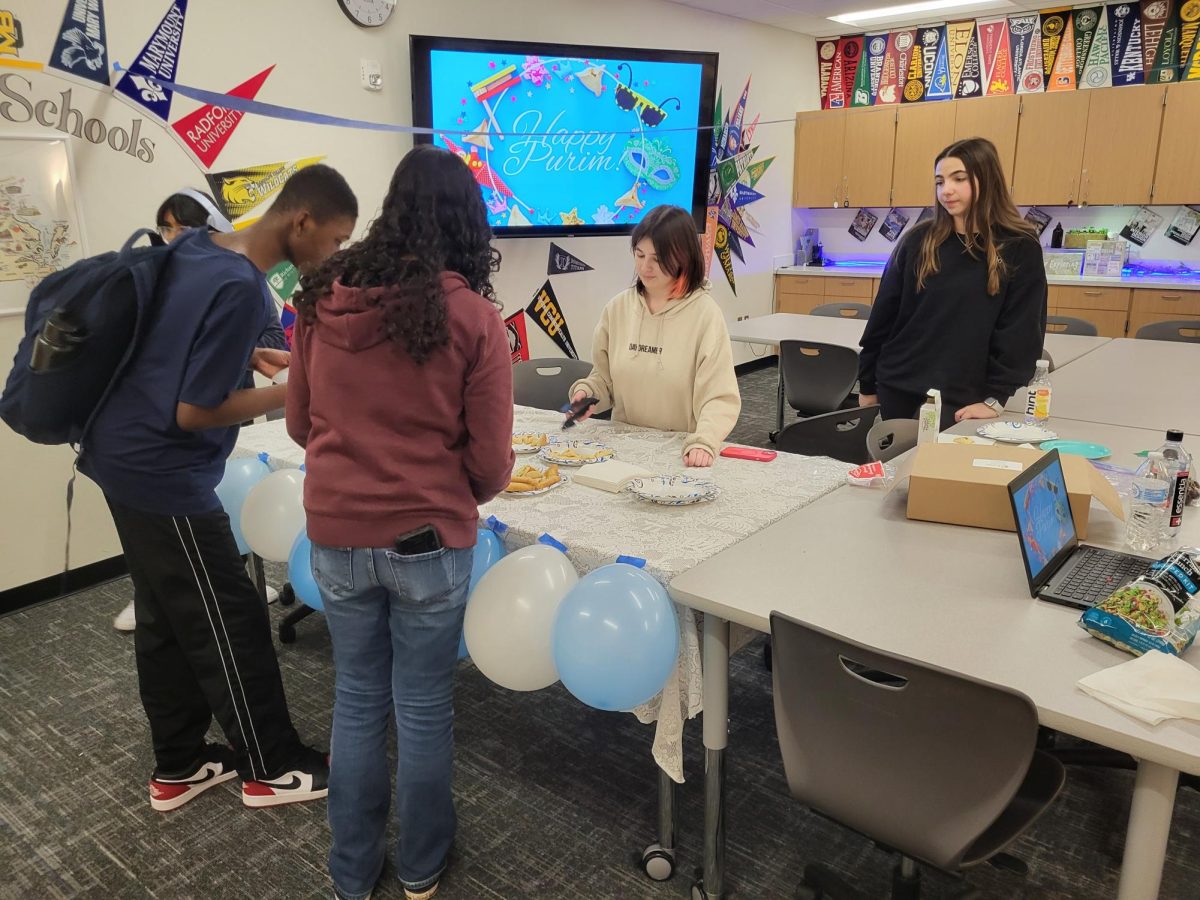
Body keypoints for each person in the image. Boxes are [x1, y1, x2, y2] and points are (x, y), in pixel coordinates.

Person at [81, 165, 358, 812]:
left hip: (116, 452)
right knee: (229, 616)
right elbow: (192, 410)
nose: (335, 253)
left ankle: (179, 764)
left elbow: (172, 353)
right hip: (162, 469)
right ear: (302, 223)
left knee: (166, 616)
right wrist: (300, 388)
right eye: (337, 239)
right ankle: (271, 764)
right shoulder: (241, 286)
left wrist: (251, 360)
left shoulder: (199, 247)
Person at [286, 145, 513, 900]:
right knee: (420, 708)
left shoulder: (319, 303)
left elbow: (298, 424)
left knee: (356, 697)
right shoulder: (477, 320)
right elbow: (489, 468)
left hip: (336, 534)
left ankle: (351, 869)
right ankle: (420, 868)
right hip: (427, 543)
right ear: (467, 227)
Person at [112, 189, 286, 633]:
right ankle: (156, 594)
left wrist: (243, 354)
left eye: (182, 228)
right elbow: (171, 373)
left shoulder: (241, 286)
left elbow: (269, 340)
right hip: (163, 449)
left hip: (202, 428)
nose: (173, 239)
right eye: (166, 228)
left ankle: (169, 596)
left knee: (176, 607)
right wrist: (297, 390)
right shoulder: (159, 282)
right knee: (222, 621)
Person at [858, 137, 1047, 432]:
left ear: (986, 179)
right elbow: (883, 317)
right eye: (940, 181)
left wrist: (995, 398)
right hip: (899, 386)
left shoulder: (1019, 246)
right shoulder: (918, 240)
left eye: (958, 179)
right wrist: (868, 383)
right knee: (895, 475)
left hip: (964, 400)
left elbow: (1021, 331)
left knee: (941, 476)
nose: (946, 190)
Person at [566, 204, 741, 466]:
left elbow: (719, 398)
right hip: (622, 451)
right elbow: (604, 379)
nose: (645, 267)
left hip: (679, 452)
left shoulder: (705, 315)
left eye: (658, 259)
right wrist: (586, 393)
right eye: (639, 255)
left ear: (683, 258)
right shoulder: (618, 308)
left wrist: (704, 441)